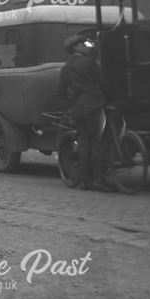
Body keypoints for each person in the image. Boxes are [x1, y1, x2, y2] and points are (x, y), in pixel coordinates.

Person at [56, 35, 111, 192]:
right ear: (76, 47)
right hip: (93, 105)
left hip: (78, 109)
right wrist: (111, 97)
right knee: (97, 143)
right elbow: (102, 82)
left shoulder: (66, 68)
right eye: (82, 44)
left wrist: (68, 107)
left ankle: (84, 181)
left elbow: (60, 92)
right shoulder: (88, 63)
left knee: (85, 144)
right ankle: (98, 179)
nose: (86, 46)